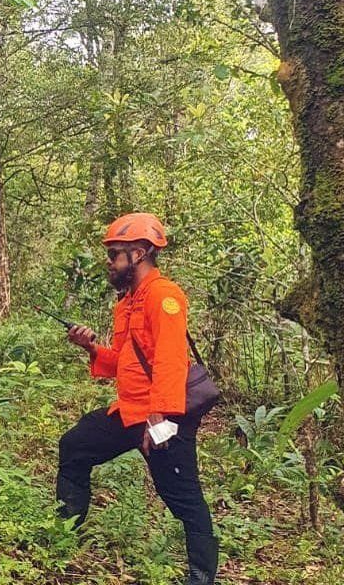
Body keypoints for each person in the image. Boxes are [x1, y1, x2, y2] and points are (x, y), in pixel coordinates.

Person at [58, 212, 218, 585]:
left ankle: (201, 577)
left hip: (163, 418)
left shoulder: (164, 297)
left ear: (140, 253)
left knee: (183, 498)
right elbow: (128, 364)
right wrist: (91, 347)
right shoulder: (128, 302)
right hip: (131, 412)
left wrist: (159, 417)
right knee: (75, 446)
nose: (110, 262)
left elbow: (170, 360)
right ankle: (62, 536)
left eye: (115, 254)